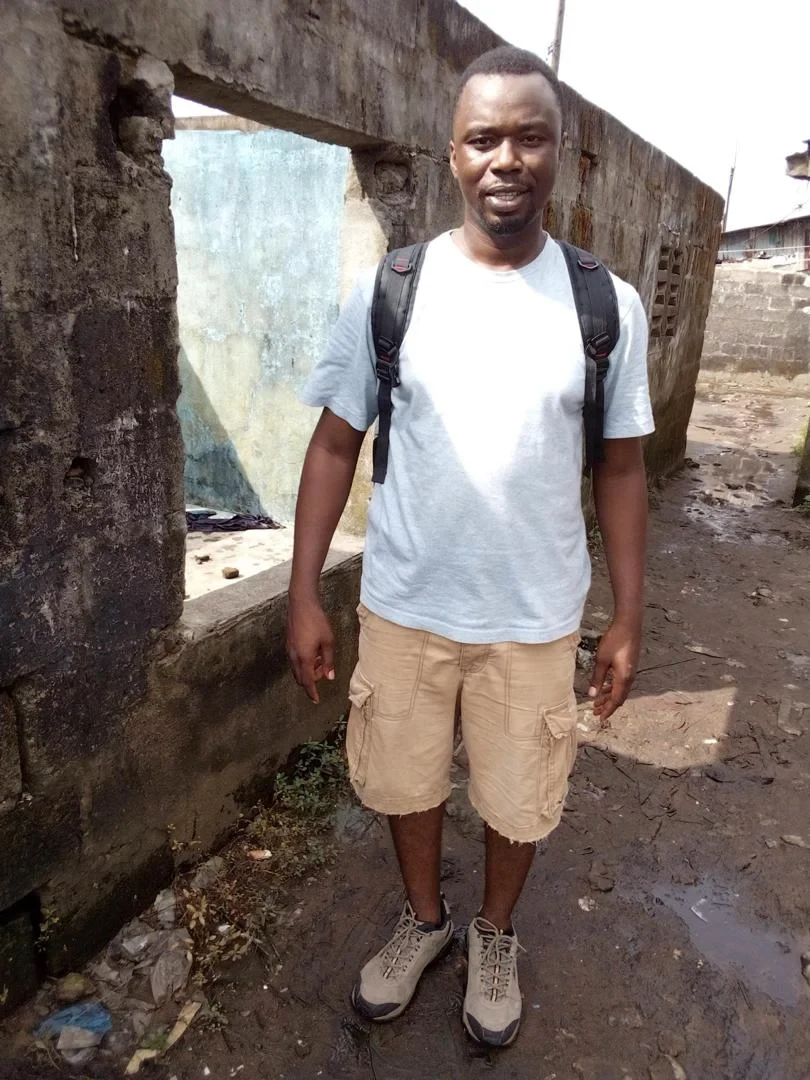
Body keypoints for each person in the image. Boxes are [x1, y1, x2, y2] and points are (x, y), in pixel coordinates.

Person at [286, 45, 653, 1048]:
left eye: (528, 136)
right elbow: (333, 442)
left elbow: (620, 468)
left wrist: (626, 614)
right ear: (452, 155)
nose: (507, 157)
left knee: (517, 796)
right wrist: (304, 592)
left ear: (559, 155)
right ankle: (426, 922)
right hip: (405, 605)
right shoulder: (392, 290)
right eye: (484, 137)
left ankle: (494, 933)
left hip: (534, 618)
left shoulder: (603, 304)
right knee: (404, 782)